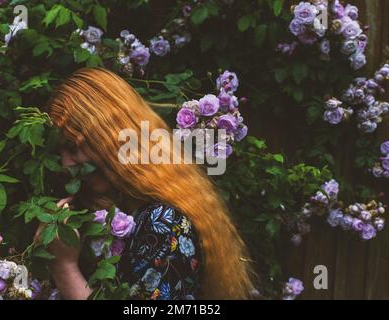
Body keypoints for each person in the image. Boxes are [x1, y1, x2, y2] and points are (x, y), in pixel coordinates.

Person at [40, 67, 252, 300]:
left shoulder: (163, 223)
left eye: (72, 147)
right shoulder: (106, 215)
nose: (66, 164)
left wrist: (64, 268)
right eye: (59, 153)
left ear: (109, 137)